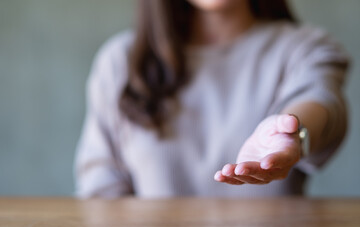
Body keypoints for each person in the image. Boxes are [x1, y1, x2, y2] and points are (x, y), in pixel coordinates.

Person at [75, 0, 349, 198]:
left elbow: (319, 99)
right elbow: (101, 191)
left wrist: (291, 132)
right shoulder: (121, 62)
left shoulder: (305, 47)